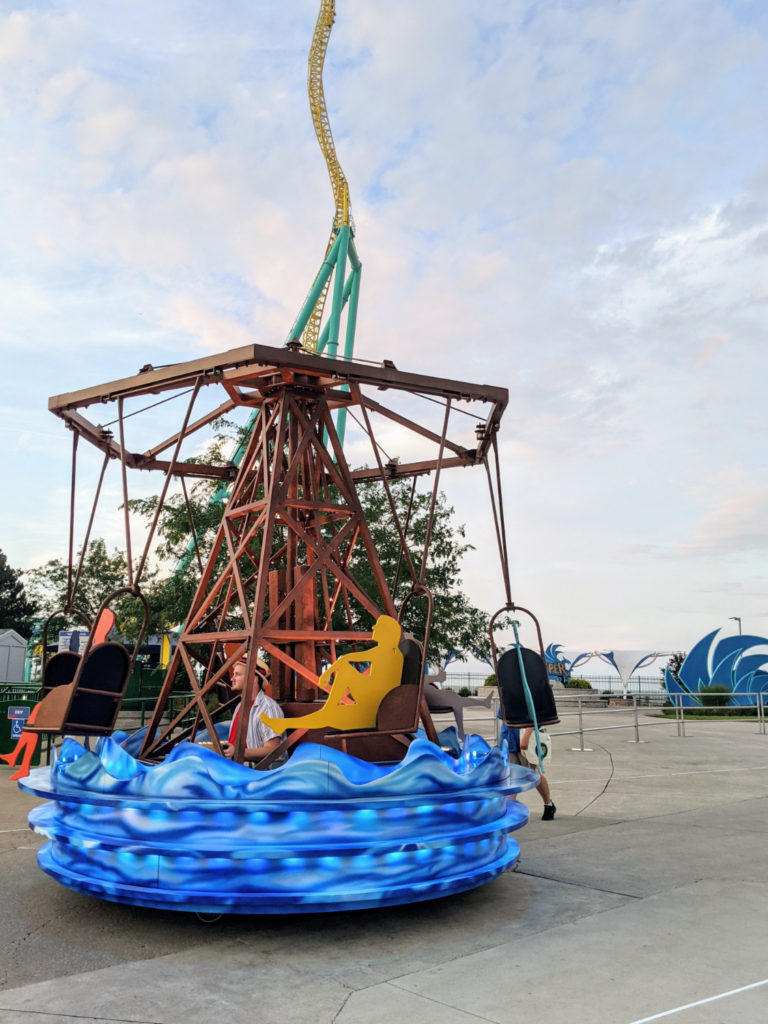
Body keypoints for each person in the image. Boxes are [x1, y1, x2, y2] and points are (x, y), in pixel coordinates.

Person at [260, 615, 403, 734]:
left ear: (386, 631)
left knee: (327, 713)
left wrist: (327, 674)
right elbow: (347, 659)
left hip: (375, 707)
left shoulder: (386, 652)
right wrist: (327, 673)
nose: (374, 628)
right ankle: (284, 724)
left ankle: (289, 722)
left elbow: (347, 659)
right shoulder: (390, 652)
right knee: (326, 716)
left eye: (378, 626)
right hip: (376, 704)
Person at [221, 655, 284, 764]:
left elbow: (273, 749)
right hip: (236, 768)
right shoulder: (240, 706)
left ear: (253, 679)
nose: (232, 679)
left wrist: (239, 753)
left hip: (255, 772)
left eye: (237, 674)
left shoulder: (267, 708)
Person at [499, 716, 556, 820]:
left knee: (533, 774)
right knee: (511, 776)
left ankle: (548, 804)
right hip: (509, 737)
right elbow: (504, 717)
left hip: (527, 737)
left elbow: (534, 715)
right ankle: (508, 810)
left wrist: (527, 735)